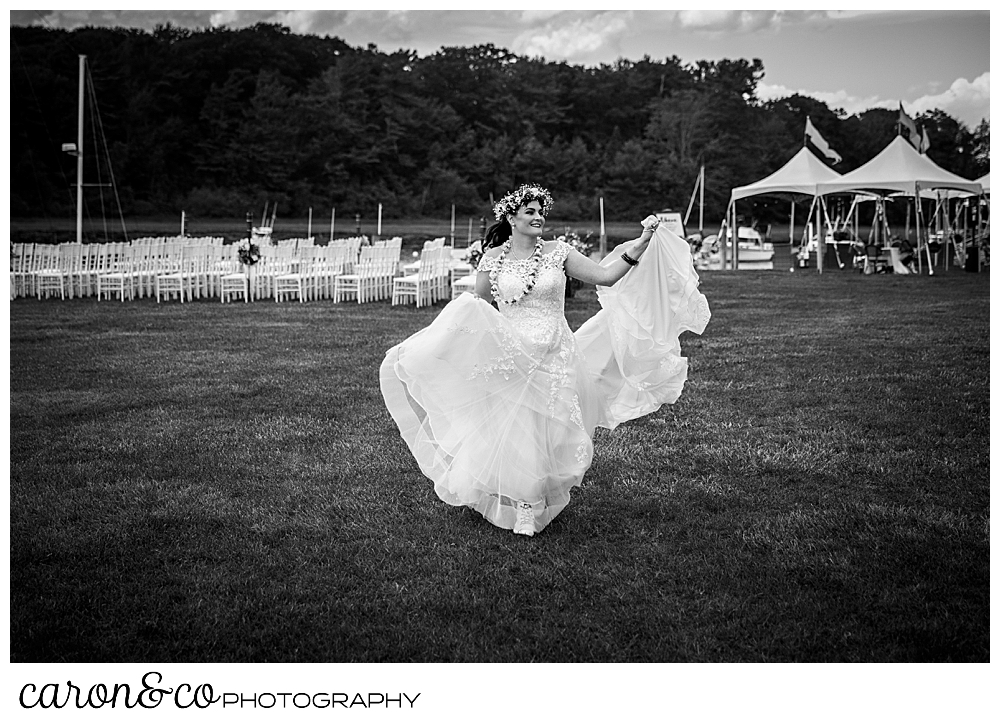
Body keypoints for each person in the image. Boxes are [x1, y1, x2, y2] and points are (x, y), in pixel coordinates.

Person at [380, 184, 710, 537]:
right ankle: (525, 506)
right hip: (510, 353)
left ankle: (538, 494)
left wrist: (641, 242)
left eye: (541, 212)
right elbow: (478, 306)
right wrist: (454, 342)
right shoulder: (492, 257)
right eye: (531, 213)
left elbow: (605, 276)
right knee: (518, 429)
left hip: (555, 353)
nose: (539, 218)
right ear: (512, 218)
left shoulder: (558, 252)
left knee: (551, 430)